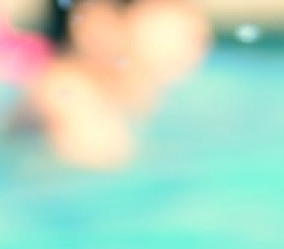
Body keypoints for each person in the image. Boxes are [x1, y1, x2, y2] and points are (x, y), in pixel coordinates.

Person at [12, 0, 212, 168]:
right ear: (98, 24)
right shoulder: (73, 113)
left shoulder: (111, 103)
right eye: (171, 4)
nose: (197, 24)